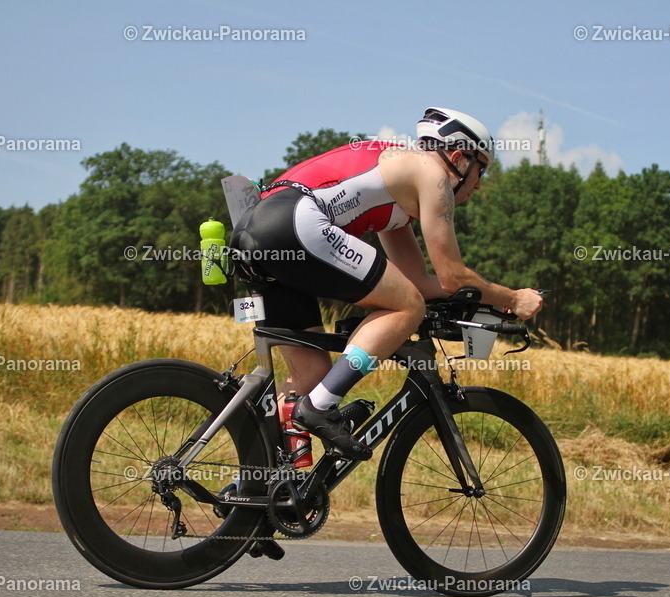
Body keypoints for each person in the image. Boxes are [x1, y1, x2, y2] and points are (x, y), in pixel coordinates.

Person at [230, 107, 544, 458]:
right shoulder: (432, 174)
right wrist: (513, 297)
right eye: (481, 169)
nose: (479, 184)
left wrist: (484, 299)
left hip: (259, 231)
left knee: (311, 374)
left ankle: (259, 482)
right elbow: (450, 276)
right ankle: (318, 409)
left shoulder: (395, 195)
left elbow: (421, 283)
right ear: (458, 157)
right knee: (406, 307)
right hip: (294, 222)